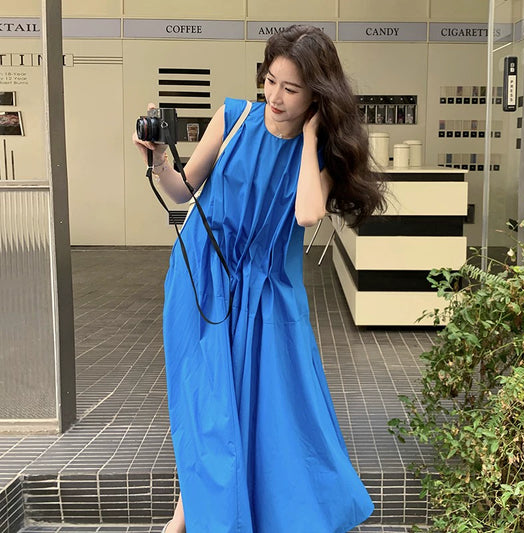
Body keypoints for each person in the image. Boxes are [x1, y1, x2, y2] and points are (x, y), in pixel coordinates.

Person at [133, 24, 386, 533]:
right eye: (270, 81)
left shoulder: (321, 156)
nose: (274, 97)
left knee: (276, 414)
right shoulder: (233, 118)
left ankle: (216, 517)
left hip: (268, 296)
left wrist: (311, 137)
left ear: (317, 96)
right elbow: (182, 191)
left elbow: (309, 213)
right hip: (204, 280)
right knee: (208, 402)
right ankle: (186, 517)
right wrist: (160, 161)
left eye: (291, 89)